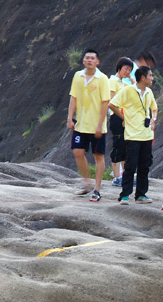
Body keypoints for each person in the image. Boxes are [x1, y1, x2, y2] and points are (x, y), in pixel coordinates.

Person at [109, 66, 158, 205]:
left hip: (147, 135)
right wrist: (124, 118)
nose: (152, 78)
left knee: (144, 166)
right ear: (142, 77)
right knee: (130, 166)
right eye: (150, 75)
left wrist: (153, 119)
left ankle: (141, 194)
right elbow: (112, 105)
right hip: (132, 135)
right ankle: (125, 195)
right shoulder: (128, 90)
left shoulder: (149, 92)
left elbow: (154, 108)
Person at [67, 49, 110, 202]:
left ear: (97, 62)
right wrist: (70, 118)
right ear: (83, 60)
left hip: (97, 125)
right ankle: (87, 183)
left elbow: (106, 102)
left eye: (93, 58)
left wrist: (100, 124)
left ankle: (97, 190)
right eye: (87, 58)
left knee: (98, 156)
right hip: (81, 124)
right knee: (78, 152)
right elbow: (74, 97)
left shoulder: (102, 78)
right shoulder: (77, 76)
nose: (89, 60)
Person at [108, 57, 134, 187]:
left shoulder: (124, 83)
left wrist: (131, 77)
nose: (127, 71)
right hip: (117, 117)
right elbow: (111, 102)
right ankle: (116, 177)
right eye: (126, 68)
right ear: (119, 67)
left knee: (125, 146)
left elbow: (136, 88)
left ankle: (125, 175)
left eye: (130, 70)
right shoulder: (112, 81)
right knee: (118, 145)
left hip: (125, 116)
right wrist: (123, 118)